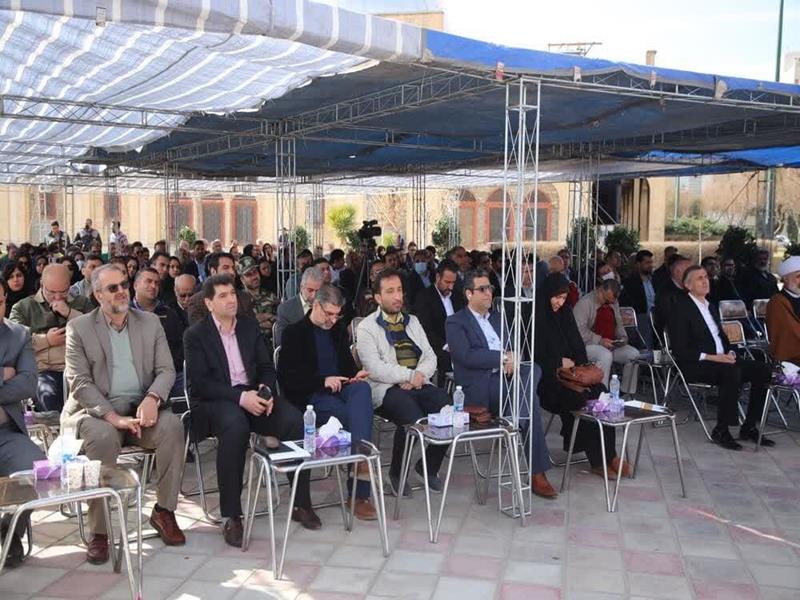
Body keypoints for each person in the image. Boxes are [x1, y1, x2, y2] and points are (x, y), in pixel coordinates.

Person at [63, 265, 185, 563]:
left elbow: (166, 370)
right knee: (103, 438)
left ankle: (164, 511)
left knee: (172, 427)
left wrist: (153, 398)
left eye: (124, 285)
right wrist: (113, 418)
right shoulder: (80, 328)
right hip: (98, 413)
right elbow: (79, 383)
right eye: (112, 288)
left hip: (141, 409)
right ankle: (100, 530)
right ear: (97, 295)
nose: (121, 292)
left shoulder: (150, 322)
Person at [184, 274, 319, 545]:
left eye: (232, 293)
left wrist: (265, 391)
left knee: (295, 421)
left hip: (254, 397)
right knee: (235, 426)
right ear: (209, 303)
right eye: (222, 296)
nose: (231, 300)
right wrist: (240, 397)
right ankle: (232, 516)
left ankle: (300, 502)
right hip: (215, 403)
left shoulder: (248, 326)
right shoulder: (196, 335)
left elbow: (267, 367)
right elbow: (200, 384)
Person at [446, 269, 556, 498]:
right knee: (530, 400)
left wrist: (513, 356)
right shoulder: (456, 322)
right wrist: (503, 357)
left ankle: (516, 416)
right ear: (469, 294)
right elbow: (466, 356)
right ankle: (537, 473)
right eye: (482, 289)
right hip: (481, 386)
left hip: (510, 380)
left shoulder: (498, 318)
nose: (489, 293)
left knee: (534, 369)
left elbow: (517, 348)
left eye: (490, 288)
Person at [277, 284, 377, 519]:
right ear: (316, 305)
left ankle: (359, 462)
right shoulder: (294, 333)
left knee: (362, 390)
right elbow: (288, 379)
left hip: (340, 388)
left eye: (337, 315)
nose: (333, 320)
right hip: (311, 396)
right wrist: (322, 381)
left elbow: (346, 368)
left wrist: (355, 375)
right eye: (329, 313)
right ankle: (360, 485)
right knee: (353, 416)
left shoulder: (337, 330)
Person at [356, 269, 450, 495]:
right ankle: (397, 473)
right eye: (390, 291)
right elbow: (373, 368)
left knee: (448, 410)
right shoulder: (367, 327)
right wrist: (407, 376)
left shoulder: (412, 321)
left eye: (399, 290)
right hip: (386, 388)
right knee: (412, 417)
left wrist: (417, 377)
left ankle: (428, 467)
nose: (397, 296)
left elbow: (431, 356)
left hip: (418, 383)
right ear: (378, 298)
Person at [667, 266, 773, 449]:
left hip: (723, 360)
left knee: (763, 370)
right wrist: (714, 358)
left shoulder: (710, 306)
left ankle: (749, 426)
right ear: (688, 285)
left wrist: (731, 353)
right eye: (699, 278)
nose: (705, 281)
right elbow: (680, 350)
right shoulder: (681, 309)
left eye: (706, 277)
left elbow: (723, 338)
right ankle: (722, 429)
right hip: (697, 364)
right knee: (731, 371)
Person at [533, 273, 624, 476]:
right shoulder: (536, 315)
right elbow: (532, 355)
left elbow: (577, 345)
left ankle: (611, 455)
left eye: (564, 298)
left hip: (573, 376)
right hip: (549, 382)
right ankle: (598, 460)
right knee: (582, 400)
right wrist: (558, 363)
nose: (559, 302)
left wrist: (580, 367)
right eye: (556, 297)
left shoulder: (565, 312)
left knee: (601, 394)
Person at [0, 277, 45, 568]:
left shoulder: (18, 334)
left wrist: (14, 376)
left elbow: (28, 384)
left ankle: (10, 530)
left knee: (40, 473)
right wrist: (4, 374)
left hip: (7, 434)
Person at [9, 264, 92, 411]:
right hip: (44, 370)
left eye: (63, 291)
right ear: (42, 284)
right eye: (52, 292)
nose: (57, 297)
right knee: (50, 401)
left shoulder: (82, 303)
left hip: (80, 369)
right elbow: (14, 343)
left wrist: (70, 313)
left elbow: (96, 332)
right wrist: (46, 340)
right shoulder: (23, 307)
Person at [573, 279, 640, 395]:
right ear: (600, 290)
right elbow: (578, 331)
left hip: (611, 344)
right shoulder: (584, 303)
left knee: (634, 354)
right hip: (587, 345)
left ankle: (626, 393)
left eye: (611, 301)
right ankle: (601, 395)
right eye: (606, 299)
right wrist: (600, 340)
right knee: (605, 355)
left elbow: (618, 323)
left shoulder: (613, 301)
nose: (608, 303)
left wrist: (623, 337)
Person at [132, 268, 186, 399]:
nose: (153, 286)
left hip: (167, 373)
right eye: (148, 281)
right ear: (135, 285)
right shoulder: (124, 313)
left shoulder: (169, 314)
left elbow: (179, 347)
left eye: (156, 283)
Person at [412, 259, 464, 387]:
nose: (450, 287)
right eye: (447, 282)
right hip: (437, 348)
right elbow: (425, 330)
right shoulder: (424, 298)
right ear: (437, 277)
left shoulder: (457, 296)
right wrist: (446, 346)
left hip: (460, 345)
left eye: (453, 282)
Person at [186, 253, 253, 324]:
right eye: (226, 268)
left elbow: (251, 326)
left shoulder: (244, 298)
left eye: (233, 268)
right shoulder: (197, 303)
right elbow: (199, 330)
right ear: (213, 271)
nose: (232, 272)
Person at [273, 266, 323, 347]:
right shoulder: (286, 309)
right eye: (310, 290)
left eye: (318, 291)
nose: (314, 295)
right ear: (301, 287)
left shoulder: (326, 305)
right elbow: (281, 340)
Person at [766, 256, 800, 366]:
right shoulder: (777, 301)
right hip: (792, 355)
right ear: (785, 279)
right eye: (798, 276)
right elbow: (789, 332)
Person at [239, 256, 279, 346]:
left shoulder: (271, 296)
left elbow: (280, 322)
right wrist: (266, 316)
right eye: (248, 274)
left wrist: (257, 320)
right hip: (248, 347)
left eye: (255, 272)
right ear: (242, 279)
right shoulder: (238, 300)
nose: (254, 276)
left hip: (270, 345)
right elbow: (239, 326)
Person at [653, 255, 691, 338]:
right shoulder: (666, 293)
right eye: (689, 271)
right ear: (677, 272)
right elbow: (671, 319)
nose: (692, 275)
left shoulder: (687, 289)